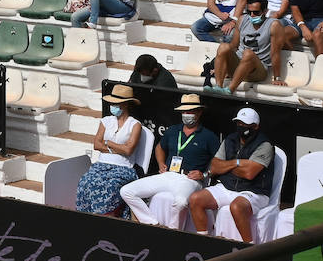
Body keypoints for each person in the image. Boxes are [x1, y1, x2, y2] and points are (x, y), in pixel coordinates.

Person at [120, 93, 218, 228]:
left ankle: (173, 231)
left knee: (181, 202)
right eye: (184, 111)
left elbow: (220, 162)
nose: (187, 114)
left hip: (189, 179)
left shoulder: (209, 136)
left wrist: (205, 174)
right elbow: (160, 147)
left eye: (190, 111)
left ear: (199, 112)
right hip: (168, 174)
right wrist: (160, 163)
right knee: (126, 191)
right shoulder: (173, 130)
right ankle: (152, 223)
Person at [188, 107, 275, 243]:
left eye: (245, 124)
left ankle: (249, 247)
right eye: (239, 123)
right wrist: (237, 163)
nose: (241, 127)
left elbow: (249, 173)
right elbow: (215, 166)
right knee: (195, 199)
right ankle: (202, 241)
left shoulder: (265, 145)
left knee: (236, 207)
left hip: (254, 191)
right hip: (227, 186)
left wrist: (226, 166)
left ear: (256, 126)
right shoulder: (230, 139)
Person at [75, 84, 144, 217]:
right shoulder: (106, 121)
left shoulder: (135, 124)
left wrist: (109, 143)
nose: (112, 105)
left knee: (110, 186)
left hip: (123, 168)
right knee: (85, 181)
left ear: (126, 104)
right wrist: (119, 148)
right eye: (112, 102)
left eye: (116, 103)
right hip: (101, 165)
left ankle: (107, 218)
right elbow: (96, 144)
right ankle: (86, 217)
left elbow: (129, 150)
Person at [208, 0, 275, 95]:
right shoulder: (242, 19)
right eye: (249, 12)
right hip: (239, 65)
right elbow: (234, 45)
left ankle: (230, 90)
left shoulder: (273, 24)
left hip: (258, 70)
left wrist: (277, 77)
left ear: (265, 11)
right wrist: (219, 65)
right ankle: (218, 86)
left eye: (256, 12)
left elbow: (276, 53)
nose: (252, 15)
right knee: (223, 46)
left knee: (248, 53)